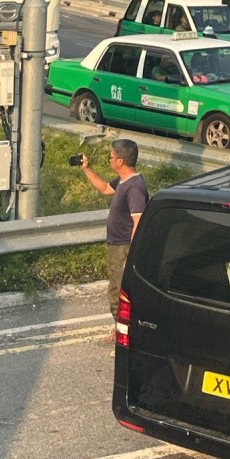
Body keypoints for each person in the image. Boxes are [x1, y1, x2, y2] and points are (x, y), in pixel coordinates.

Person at [78, 138, 148, 338]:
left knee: (118, 293)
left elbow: (139, 223)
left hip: (124, 247)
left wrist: (131, 256)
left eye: (111, 157)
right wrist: (87, 168)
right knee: (116, 290)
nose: (109, 160)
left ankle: (123, 333)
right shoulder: (124, 181)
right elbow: (105, 189)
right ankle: (121, 328)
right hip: (116, 246)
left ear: (121, 161)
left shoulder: (135, 187)